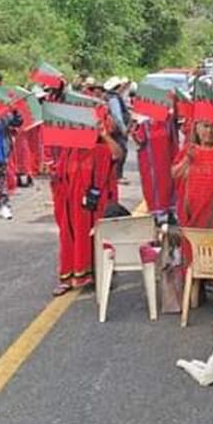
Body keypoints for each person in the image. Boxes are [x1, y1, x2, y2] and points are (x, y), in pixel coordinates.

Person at [50, 123, 123, 296]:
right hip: (70, 205)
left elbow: (117, 154)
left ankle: (98, 275)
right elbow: (59, 177)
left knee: (96, 238)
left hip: (94, 205)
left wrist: (104, 134)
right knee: (68, 238)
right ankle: (67, 277)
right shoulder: (68, 150)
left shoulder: (100, 149)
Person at [132, 107, 178, 225]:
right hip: (151, 166)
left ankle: (170, 215)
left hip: (168, 163)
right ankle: (158, 219)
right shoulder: (142, 122)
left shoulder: (168, 120)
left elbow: (174, 140)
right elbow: (138, 141)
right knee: (154, 191)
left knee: (169, 189)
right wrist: (132, 128)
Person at [104, 77, 133, 183]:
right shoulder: (113, 98)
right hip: (117, 130)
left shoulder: (110, 97)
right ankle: (117, 175)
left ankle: (116, 175)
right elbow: (117, 116)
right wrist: (123, 129)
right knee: (121, 151)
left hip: (114, 129)